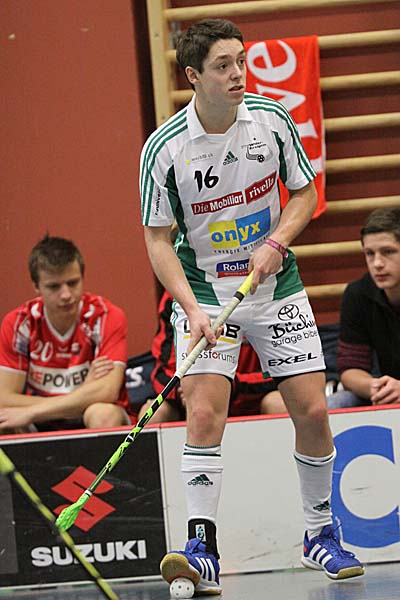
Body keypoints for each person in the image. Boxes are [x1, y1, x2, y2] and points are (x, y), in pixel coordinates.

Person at [139, 19, 363, 595]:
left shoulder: (272, 120)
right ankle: (201, 548)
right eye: (223, 66)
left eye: (240, 60)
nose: (238, 73)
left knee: (312, 411)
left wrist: (276, 241)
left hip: (275, 285)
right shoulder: (165, 149)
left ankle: (320, 534)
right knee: (203, 414)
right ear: (193, 76)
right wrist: (190, 310)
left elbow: (306, 193)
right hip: (205, 292)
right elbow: (158, 241)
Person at [0, 235, 132, 433]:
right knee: (4, 420)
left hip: (85, 413)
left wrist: (34, 411)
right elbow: (4, 398)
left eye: (72, 283)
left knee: (104, 414)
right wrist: (81, 394)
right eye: (54, 287)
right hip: (39, 421)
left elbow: (107, 391)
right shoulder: (19, 323)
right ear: (36, 286)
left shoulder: (106, 316)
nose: (66, 295)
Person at [135, 288, 285, 424]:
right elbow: (161, 371)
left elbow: (282, 367)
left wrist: (233, 385)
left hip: (246, 398)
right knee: (155, 413)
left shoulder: (261, 286)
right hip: (189, 396)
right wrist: (184, 388)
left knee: (278, 403)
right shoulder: (176, 293)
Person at [327, 207, 400, 409]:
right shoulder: (358, 294)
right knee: (336, 403)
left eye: (388, 252)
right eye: (370, 253)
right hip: (388, 392)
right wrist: (376, 387)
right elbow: (351, 368)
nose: (377, 263)